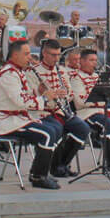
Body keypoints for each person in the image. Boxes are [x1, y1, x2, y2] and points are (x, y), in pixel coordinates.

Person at [0, 39, 65, 189]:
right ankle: (38, 177)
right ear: (15, 55)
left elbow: (24, 94)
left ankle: (40, 171)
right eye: (26, 54)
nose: (30, 58)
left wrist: (39, 91)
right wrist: (44, 98)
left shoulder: (17, 71)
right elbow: (20, 101)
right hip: (9, 121)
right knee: (47, 134)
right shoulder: (8, 74)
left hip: (20, 117)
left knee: (56, 128)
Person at [28, 38, 92, 177]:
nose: (56, 59)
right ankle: (53, 167)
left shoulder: (62, 71)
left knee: (83, 128)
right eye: (53, 55)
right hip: (42, 113)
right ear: (44, 53)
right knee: (57, 128)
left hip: (60, 111)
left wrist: (65, 94)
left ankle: (61, 164)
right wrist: (42, 93)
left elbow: (70, 94)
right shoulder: (33, 72)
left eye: (58, 55)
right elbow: (30, 96)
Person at [70, 48, 110, 172]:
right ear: (82, 61)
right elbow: (80, 102)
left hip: (103, 111)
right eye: (91, 60)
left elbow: (106, 98)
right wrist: (99, 100)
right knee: (107, 123)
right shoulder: (76, 78)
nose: (95, 63)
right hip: (86, 113)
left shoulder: (98, 76)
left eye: (96, 60)